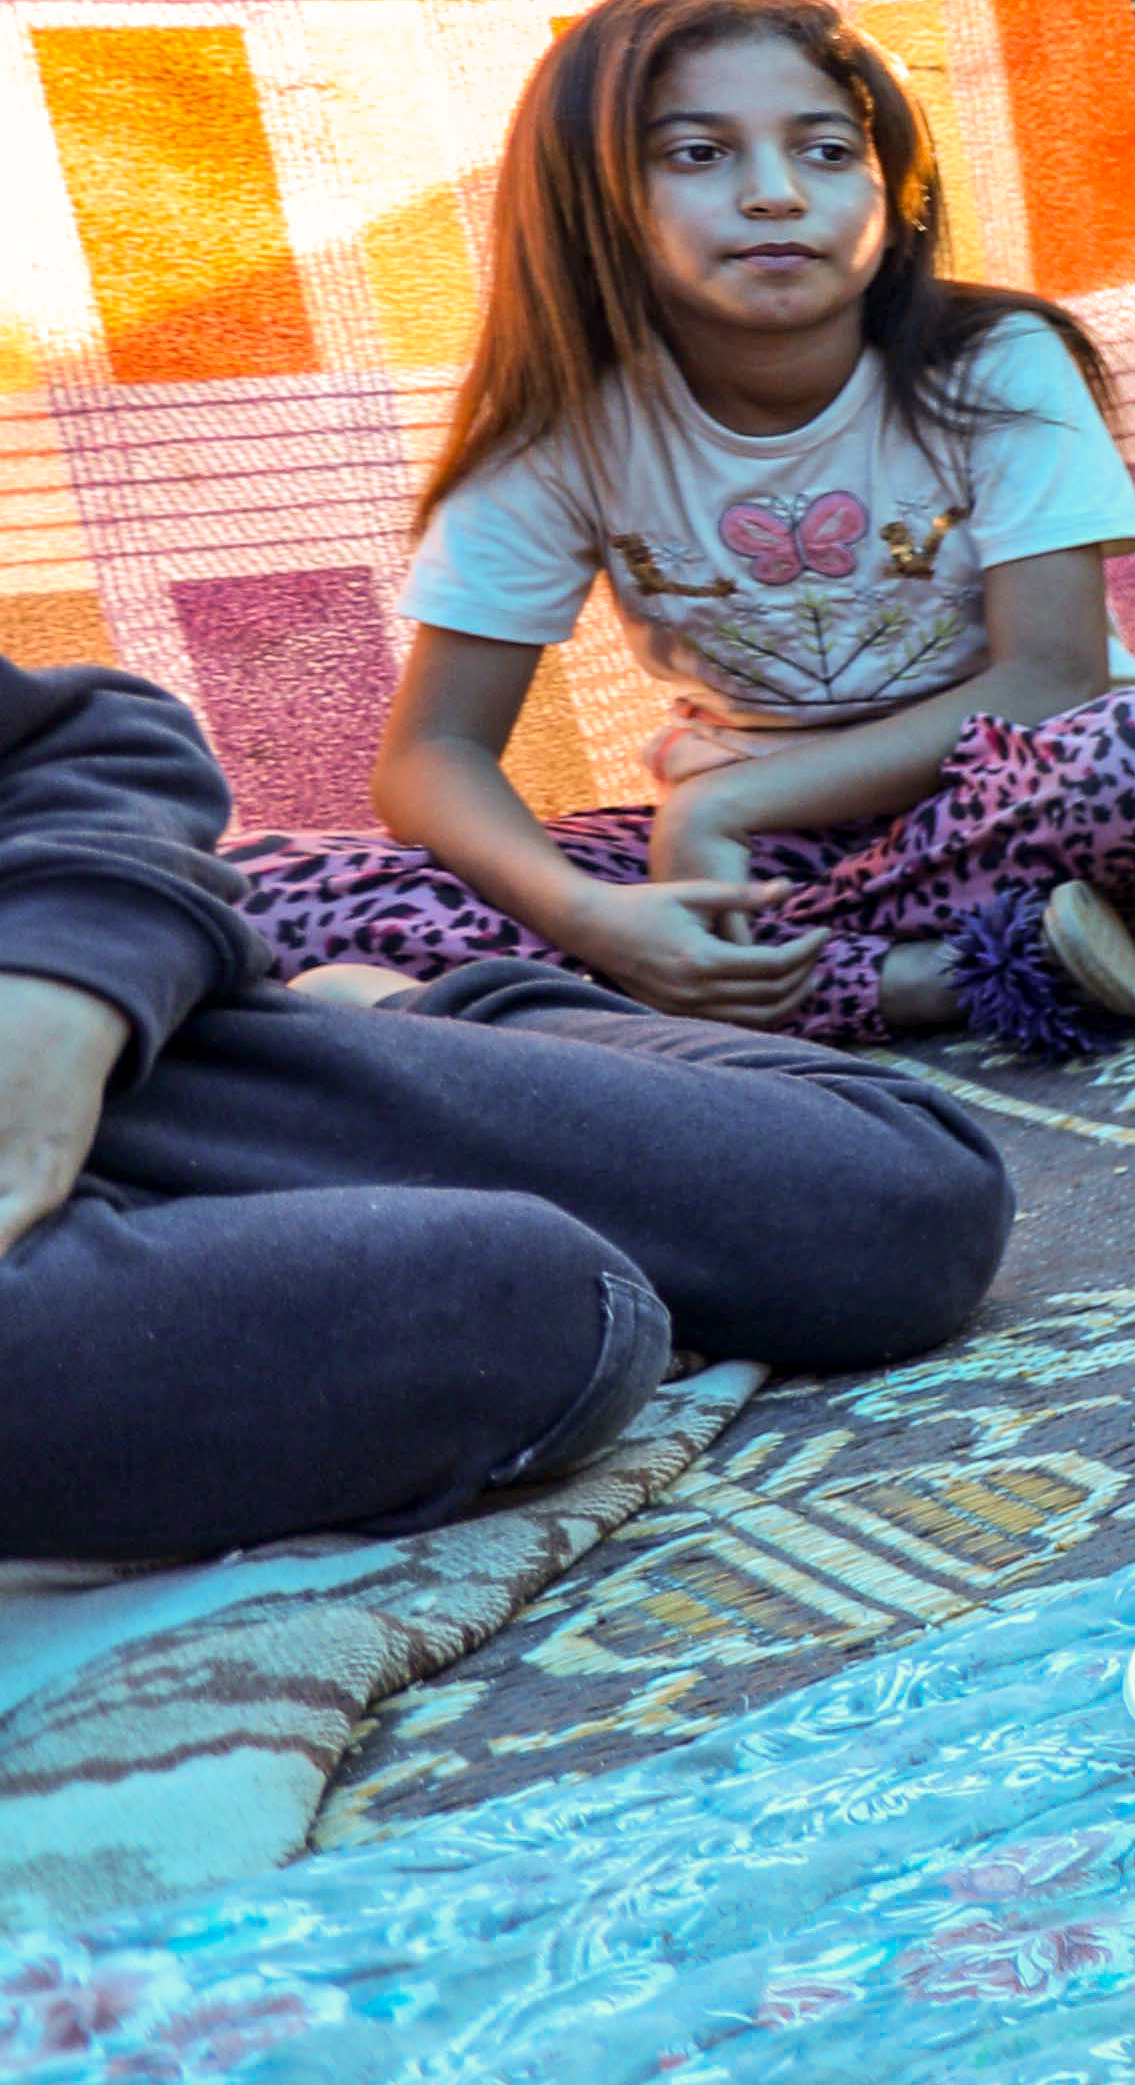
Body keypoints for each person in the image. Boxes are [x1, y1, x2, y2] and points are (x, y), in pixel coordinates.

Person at [223, 0, 1135, 1056]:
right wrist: (595, 917)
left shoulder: (995, 362)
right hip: (758, 859)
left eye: (829, 152)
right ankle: (935, 973)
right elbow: (431, 756)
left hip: (1001, 805)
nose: (775, 193)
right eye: (699, 154)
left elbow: (1052, 676)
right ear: (594, 202)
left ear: (897, 192)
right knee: (254, 894)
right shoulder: (565, 427)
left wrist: (718, 815)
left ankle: (697, 994)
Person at [0, 651, 1012, 1561]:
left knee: (901, 1201)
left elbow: (93, 740)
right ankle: (892, 974)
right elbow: (432, 754)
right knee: (540, 1307)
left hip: (95, 1035)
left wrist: (56, 999)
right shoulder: (545, 477)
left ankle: (408, 1004)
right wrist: (605, 905)